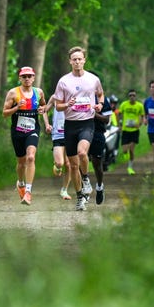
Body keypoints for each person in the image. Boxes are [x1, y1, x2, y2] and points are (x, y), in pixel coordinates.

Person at [51, 46, 105, 211]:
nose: (77, 62)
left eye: (79, 59)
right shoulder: (63, 81)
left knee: (82, 153)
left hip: (87, 122)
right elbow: (58, 106)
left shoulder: (93, 79)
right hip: (70, 125)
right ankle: (80, 196)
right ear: (70, 62)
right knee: (73, 166)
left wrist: (100, 104)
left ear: (84, 60)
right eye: (74, 59)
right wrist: (68, 104)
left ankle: (86, 178)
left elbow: (101, 94)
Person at [1, 65, 48, 205]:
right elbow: (4, 113)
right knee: (21, 163)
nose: (27, 79)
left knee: (31, 157)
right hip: (17, 131)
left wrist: (44, 117)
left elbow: (44, 108)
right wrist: (16, 107)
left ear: (33, 78)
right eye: (24, 76)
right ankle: (20, 183)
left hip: (33, 130)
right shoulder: (13, 93)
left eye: (29, 76)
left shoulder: (38, 92)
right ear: (20, 78)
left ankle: (28, 191)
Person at [87, 92, 114, 204]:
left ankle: (99, 186)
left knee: (97, 163)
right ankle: (85, 185)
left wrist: (94, 114)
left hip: (97, 133)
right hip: (81, 131)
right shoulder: (79, 97)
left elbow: (107, 120)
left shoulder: (103, 100)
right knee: (80, 158)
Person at [116, 89, 144, 174]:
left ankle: (130, 167)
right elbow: (119, 114)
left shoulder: (139, 106)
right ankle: (125, 156)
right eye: (130, 95)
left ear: (136, 97)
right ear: (128, 97)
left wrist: (139, 124)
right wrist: (119, 125)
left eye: (133, 95)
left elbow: (142, 116)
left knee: (131, 150)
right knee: (125, 150)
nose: (132, 97)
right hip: (125, 130)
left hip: (134, 130)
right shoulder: (124, 104)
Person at [48, 105, 71, 199]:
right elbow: (44, 109)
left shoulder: (74, 95)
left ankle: (64, 190)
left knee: (68, 164)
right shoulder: (55, 98)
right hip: (57, 134)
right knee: (60, 163)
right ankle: (57, 165)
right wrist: (47, 124)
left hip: (70, 133)